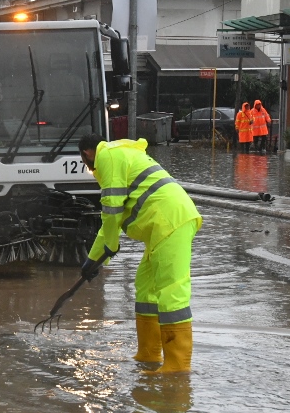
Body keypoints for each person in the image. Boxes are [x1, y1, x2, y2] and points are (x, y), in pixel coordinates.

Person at [78, 134, 202, 374]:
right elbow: (110, 222)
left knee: (171, 293)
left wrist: (109, 248)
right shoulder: (119, 156)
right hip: (160, 227)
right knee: (145, 289)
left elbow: (111, 210)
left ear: (87, 153)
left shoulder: (108, 157)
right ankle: (149, 353)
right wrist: (93, 260)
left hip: (170, 222)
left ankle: (177, 365)